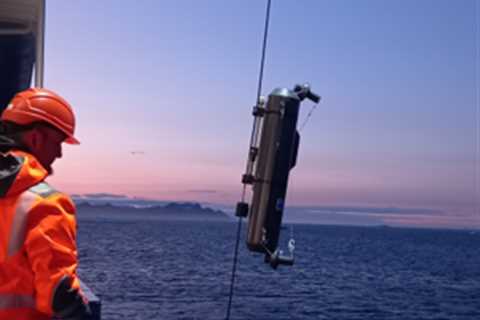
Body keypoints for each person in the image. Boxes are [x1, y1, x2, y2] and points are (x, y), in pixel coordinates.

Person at [0, 88, 90, 320]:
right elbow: (59, 293)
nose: (59, 154)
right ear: (36, 138)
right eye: (58, 142)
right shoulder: (44, 204)